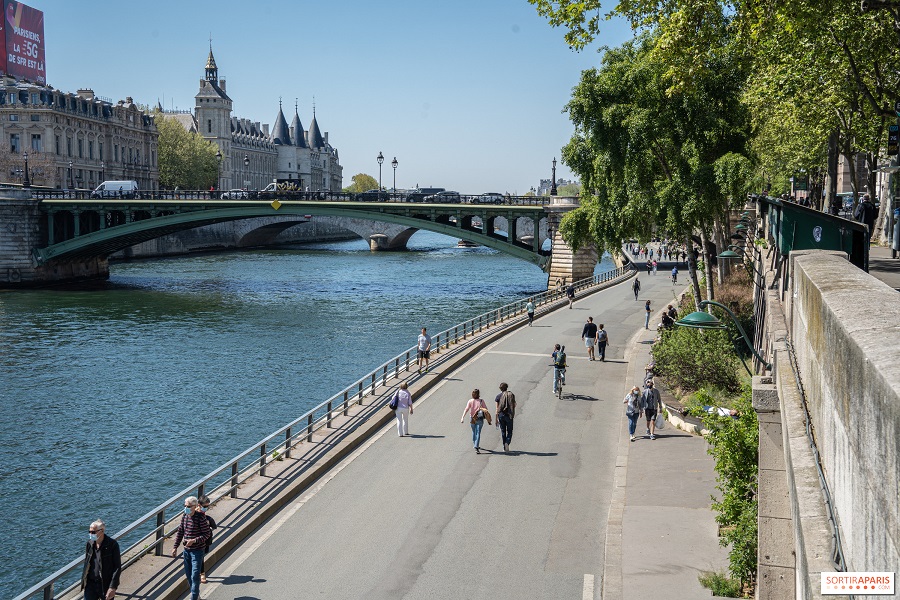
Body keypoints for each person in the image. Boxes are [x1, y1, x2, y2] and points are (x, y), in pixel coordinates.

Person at [171, 496, 212, 600]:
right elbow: (180, 532)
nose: (186, 508)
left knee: (195, 575)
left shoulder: (200, 518)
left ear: (194, 506)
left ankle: (193, 597)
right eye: (185, 506)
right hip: (186, 551)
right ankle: (196, 595)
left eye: (188, 506)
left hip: (197, 552)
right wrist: (175, 547)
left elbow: (206, 534)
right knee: (189, 576)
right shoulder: (185, 517)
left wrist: (194, 541)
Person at [81, 519, 121, 600]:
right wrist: (84, 583)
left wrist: (112, 587)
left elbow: (117, 567)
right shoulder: (89, 544)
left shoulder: (112, 545)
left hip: (105, 584)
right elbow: (87, 563)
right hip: (90, 584)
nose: (90, 534)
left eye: (93, 532)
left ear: (102, 531)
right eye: (89, 532)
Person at [461, 388, 491, 453]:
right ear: (478, 394)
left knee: (474, 431)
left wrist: (462, 417)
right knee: (478, 432)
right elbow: (486, 409)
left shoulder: (470, 401)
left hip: (472, 418)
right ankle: (476, 446)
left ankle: (475, 444)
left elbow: (466, 409)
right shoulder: (481, 401)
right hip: (480, 418)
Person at [198, 495, 218, 584]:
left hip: (204, 539)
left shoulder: (205, 516)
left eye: (207, 506)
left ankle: (200, 573)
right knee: (200, 556)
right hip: (195, 539)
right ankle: (201, 573)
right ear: (199, 505)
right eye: (205, 506)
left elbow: (214, 526)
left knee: (201, 555)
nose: (206, 508)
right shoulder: (191, 514)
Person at [495, 382, 516, 453]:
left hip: (501, 415)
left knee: (503, 431)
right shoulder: (511, 395)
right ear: (507, 387)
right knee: (509, 431)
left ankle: (504, 446)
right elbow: (514, 404)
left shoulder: (498, 396)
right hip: (509, 415)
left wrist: (496, 419)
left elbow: (497, 409)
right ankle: (507, 442)